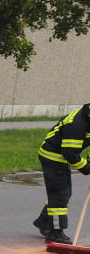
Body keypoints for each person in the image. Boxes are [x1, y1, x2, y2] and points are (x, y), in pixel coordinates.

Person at [33, 102, 90, 245]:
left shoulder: (87, 117)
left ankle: (43, 222)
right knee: (59, 195)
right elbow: (69, 153)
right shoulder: (77, 125)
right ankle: (55, 233)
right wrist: (86, 168)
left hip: (61, 156)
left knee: (63, 193)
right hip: (52, 157)